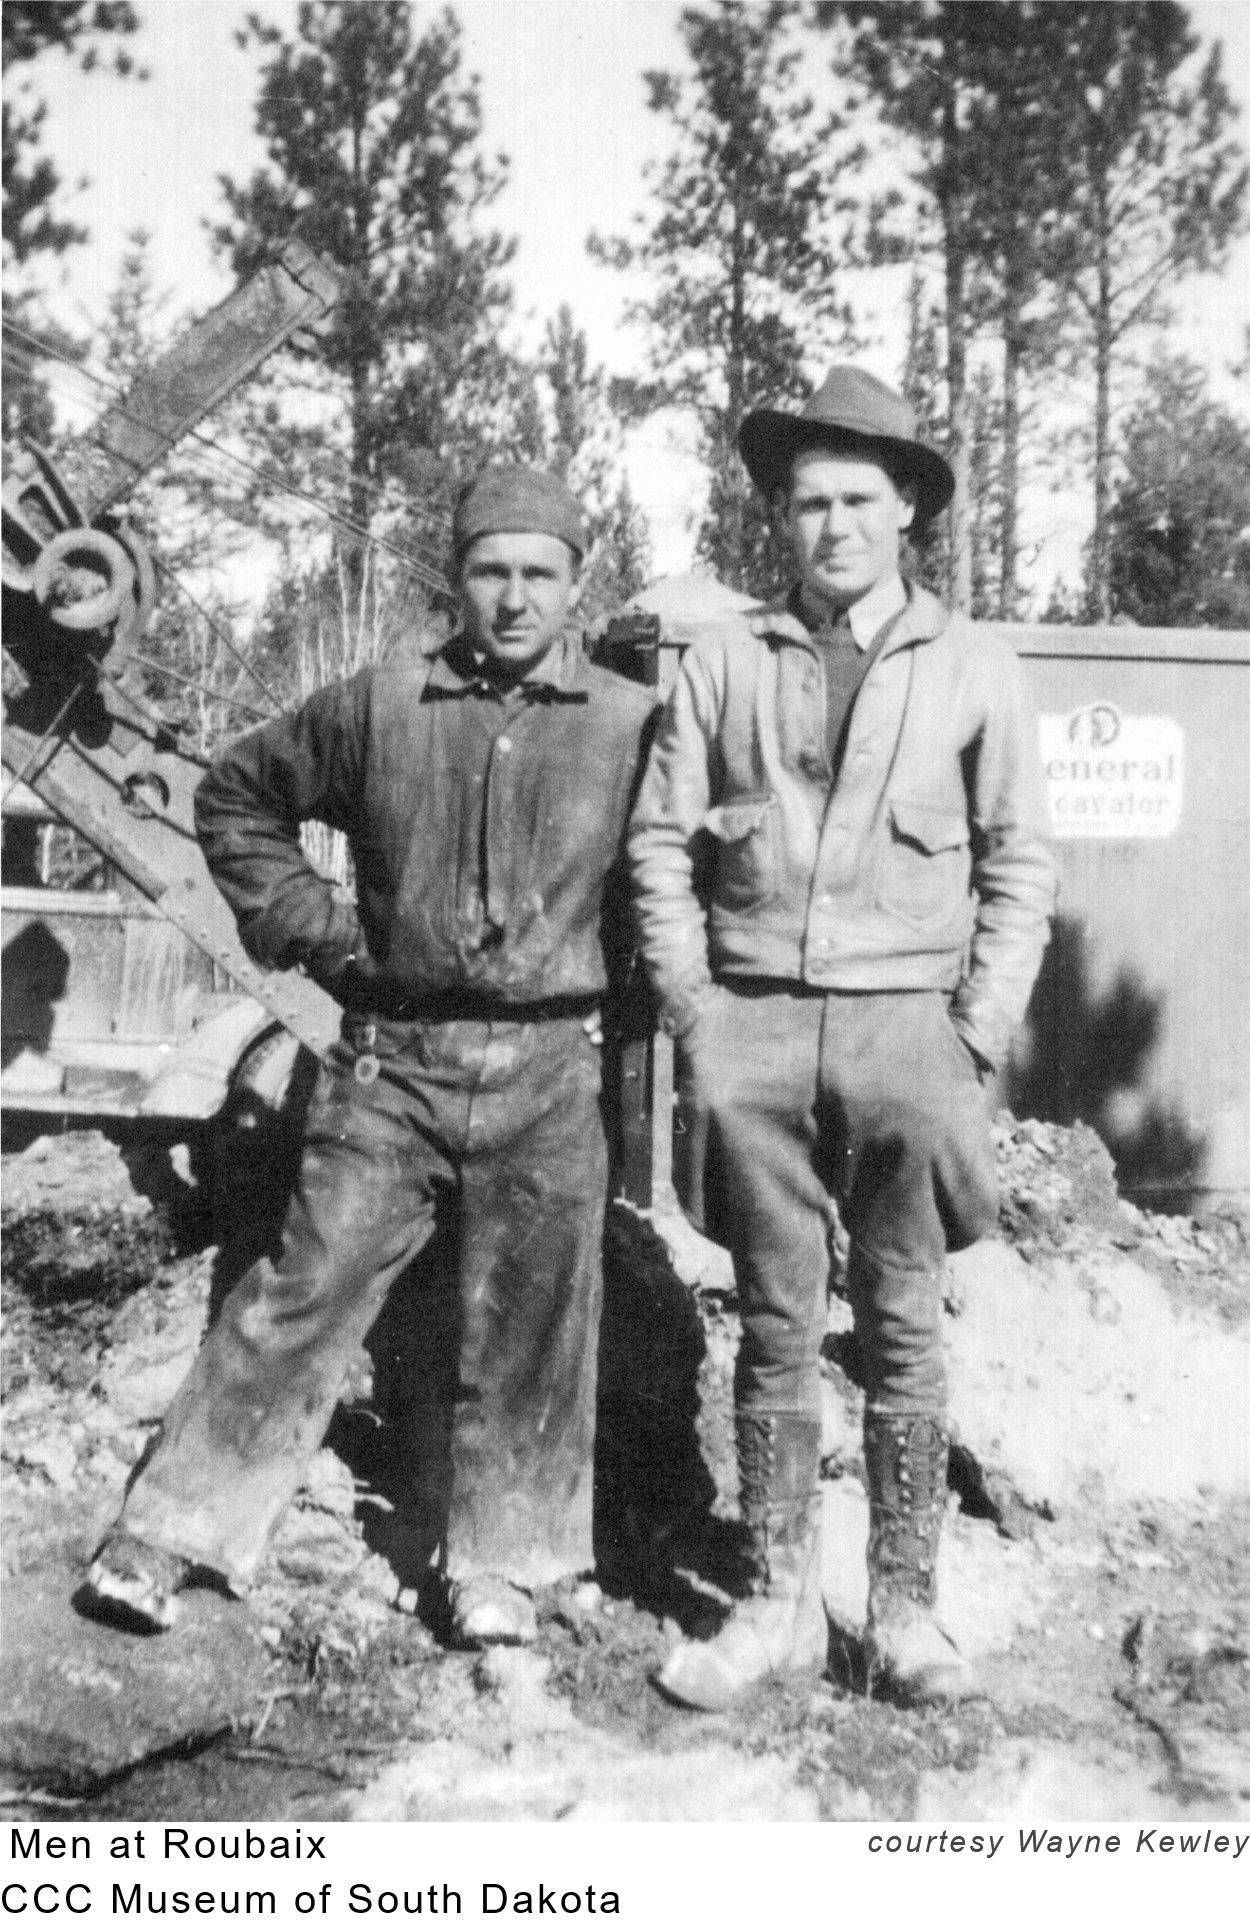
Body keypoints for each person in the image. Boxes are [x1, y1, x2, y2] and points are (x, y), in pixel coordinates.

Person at [86, 465, 657, 1650]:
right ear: (456, 578)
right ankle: (170, 1532)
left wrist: (627, 995)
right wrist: (329, 938)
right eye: (490, 570)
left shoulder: (625, 723)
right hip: (390, 1064)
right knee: (301, 1289)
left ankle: (507, 1563)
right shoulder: (379, 706)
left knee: (532, 1322)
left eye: (538, 573)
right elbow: (237, 797)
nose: (512, 597)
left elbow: (673, 883)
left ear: (575, 583)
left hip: (552, 1070)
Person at [628, 368, 1056, 1710]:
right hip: (753, 1020)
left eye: (858, 499)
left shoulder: (974, 665)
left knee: (904, 1329)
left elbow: (1019, 865)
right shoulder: (720, 659)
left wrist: (973, 1033)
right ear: (783, 519)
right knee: (767, 1325)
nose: (830, 526)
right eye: (807, 502)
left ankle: (906, 1615)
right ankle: (773, 1607)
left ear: (906, 510)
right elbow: (657, 844)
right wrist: (698, 1011)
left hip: (908, 1032)